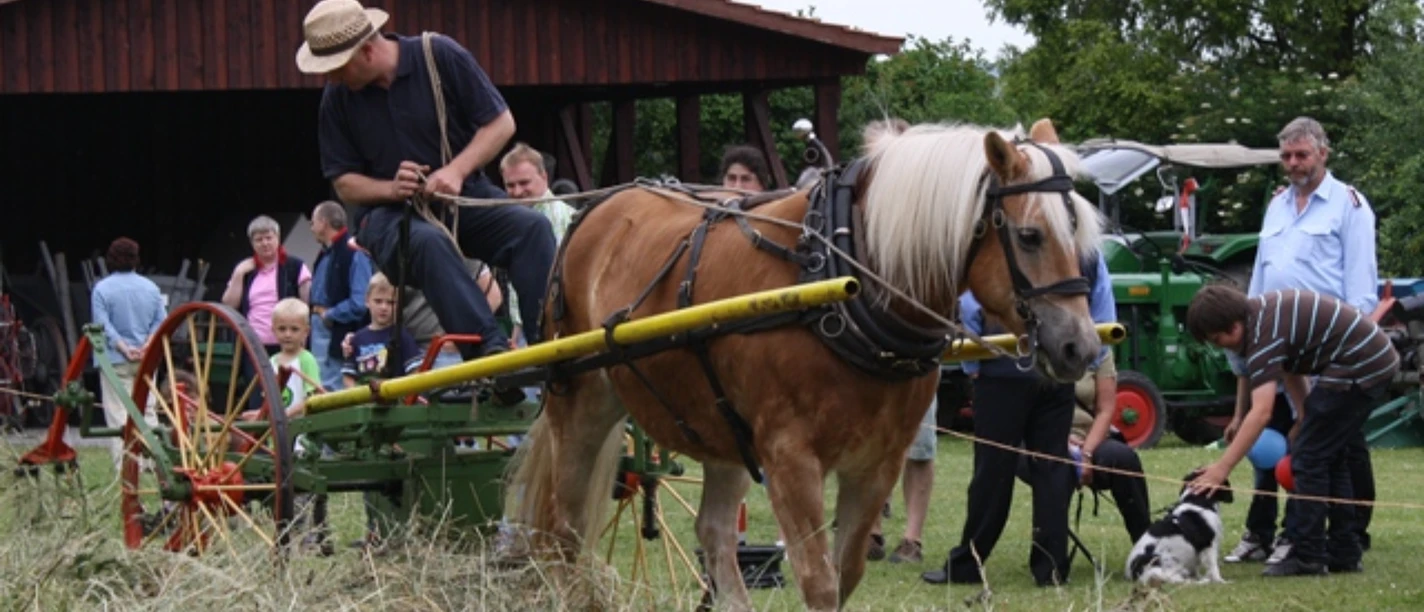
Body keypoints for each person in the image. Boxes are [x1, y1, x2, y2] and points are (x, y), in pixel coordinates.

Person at [298, 0, 556, 391]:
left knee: (532, 228)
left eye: (336, 66)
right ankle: (489, 357)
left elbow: (501, 123)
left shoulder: (439, 56)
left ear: (366, 50)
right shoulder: (337, 100)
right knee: (428, 240)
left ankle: (549, 348)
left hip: (461, 197)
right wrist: (391, 188)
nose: (331, 77)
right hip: (387, 219)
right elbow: (344, 182)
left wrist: (456, 170)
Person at [1225, 116, 1381, 566]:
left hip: (1329, 347)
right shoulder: (1276, 205)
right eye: (1287, 156)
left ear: (1323, 154)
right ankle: (1264, 532)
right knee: (1270, 438)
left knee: (1332, 446)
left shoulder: (1349, 206)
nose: (1293, 164)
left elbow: (1361, 286)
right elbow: (1260, 276)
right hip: (1275, 343)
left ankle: (1343, 532)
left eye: (1302, 155)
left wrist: (1351, 351)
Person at [923, 252, 1115, 588]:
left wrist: (973, 366)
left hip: (1003, 368)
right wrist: (1088, 358)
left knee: (992, 469)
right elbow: (1102, 307)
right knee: (1052, 467)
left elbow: (972, 304)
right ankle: (1052, 568)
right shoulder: (1087, 253)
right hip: (1057, 369)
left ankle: (969, 564)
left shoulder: (1015, 240)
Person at [1186, 285, 1398, 576]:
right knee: (1329, 455)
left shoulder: (1260, 337)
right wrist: (1303, 415)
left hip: (1362, 365)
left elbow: (1261, 412)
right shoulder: (1262, 317)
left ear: (1234, 326)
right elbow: (1292, 369)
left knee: (1308, 459)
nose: (1220, 346)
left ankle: (1308, 554)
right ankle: (1344, 552)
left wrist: (1221, 468)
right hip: (1370, 360)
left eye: (1218, 338)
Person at [343, 272, 422, 547]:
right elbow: (349, 375)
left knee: (398, 472)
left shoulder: (402, 336)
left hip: (396, 415)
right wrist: (355, 398)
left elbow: (414, 374)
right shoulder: (358, 339)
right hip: (368, 416)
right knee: (369, 474)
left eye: (390, 302)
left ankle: (401, 529)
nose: (384, 307)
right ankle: (373, 529)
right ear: (367, 302)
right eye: (379, 301)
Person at [89, 237, 166, 472]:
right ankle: (154, 462)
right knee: (148, 409)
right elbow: (160, 322)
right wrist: (145, 346)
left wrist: (124, 347)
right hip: (146, 358)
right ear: (136, 259)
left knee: (118, 414)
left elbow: (102, 325)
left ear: (111, 259)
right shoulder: (151, 288)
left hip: (115, 359)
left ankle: (128, 466)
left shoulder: (102, 289)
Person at [266, 298, 330, 554]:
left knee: (303, 488)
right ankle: (287, 535)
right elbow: (269, 399)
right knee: (284, 490)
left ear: (306, 331)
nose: (288, 335)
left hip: (302, 437)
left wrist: (285, 415)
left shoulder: (306, 360)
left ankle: (308, 539)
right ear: (273, 329)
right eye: (282, 329)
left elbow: (311, 397)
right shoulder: (271, 360)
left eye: (294, 329)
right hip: (279, 438)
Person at [500, 143, 576, 345]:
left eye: (524, 183)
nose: (517, 192)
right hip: (526, 329)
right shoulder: (516, 220)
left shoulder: (562, 218)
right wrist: (517, 332)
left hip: (558, 327)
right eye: (510, 185)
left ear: (544, 177)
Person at [220, 215, 313, 354]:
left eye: (269, 238)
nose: (264, 243)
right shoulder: (245, 270)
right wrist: (238, 274)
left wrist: (304, 338)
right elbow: (229, 305)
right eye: (259, 239)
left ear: (278, 238)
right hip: (253, 344)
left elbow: (308, 304)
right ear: (252, 243)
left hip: (288, 343)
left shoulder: (296, 267)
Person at [309, 201, 374, 391]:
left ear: (323, 222)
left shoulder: (354, 253)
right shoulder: (325, 253)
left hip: (337, 332)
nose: (312, 228)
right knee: (319, 385)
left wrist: (329, 315)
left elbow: (361, 302)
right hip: (322, 330)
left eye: (313, 222)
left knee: (333, 388)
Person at [867, 397, 937, 564]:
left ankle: (912, 541)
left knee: (921, 449)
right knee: (872, 445)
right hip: (871, 374)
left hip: (920, 375)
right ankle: (871, 533)